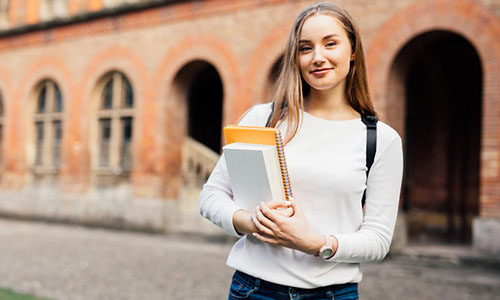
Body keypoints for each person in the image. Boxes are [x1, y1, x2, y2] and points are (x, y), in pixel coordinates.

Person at [198, 2, 403, 299]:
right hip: (254, 291)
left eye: (330, 44)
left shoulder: (380, 140)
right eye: (305, 48)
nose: (318, 57)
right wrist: (250, 222)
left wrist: (312, 242)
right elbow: (211, 196)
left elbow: (378, 240)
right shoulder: (265, 120)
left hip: (332, 294)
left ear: (353, 50)